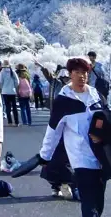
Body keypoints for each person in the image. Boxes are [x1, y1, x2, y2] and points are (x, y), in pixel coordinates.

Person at [39, 57, 105, 217]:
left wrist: (102, 135)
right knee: (88, 200)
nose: (81, 76)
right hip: (80, 156)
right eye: (77, 72)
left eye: (84, 73)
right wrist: (44, 156)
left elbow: (106, 118)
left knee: (99, 200)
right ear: (70, 74)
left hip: (101, 156)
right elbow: (53, 131)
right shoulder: (63, 101)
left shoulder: (95, 94)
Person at [0, 59, 20, 126]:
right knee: (14, 107)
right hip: (12, 92)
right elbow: (17, 81)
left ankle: (10, 122)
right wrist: (14, 86)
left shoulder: (2, 72)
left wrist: (2, 88)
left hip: (5, 92)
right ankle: (16, 122)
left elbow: (0, 82)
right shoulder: (12, 71)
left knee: (7, 107)